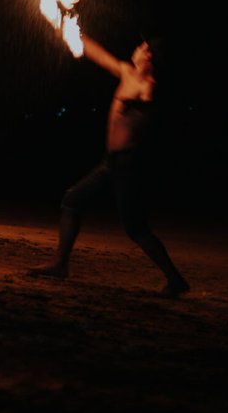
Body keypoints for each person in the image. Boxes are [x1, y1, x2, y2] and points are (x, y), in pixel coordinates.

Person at [28, 34, 191, 297]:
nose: (136, 49)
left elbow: (149, 101)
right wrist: (73, 32)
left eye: (141, 47)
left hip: (127, 165)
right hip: (110, 162)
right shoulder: (127, 72)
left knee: (135, 228)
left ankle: (175, 280)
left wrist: (139, 102)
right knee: (72, 201)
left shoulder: (148, 85)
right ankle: (60, 264)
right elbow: (101, 57)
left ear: (148, 56)